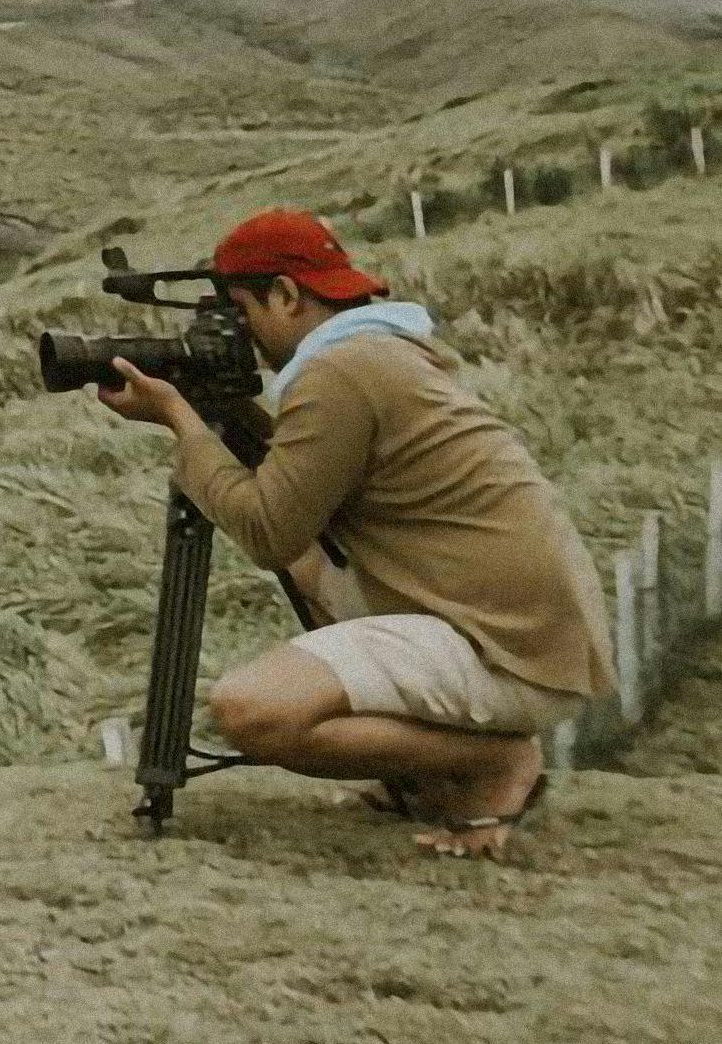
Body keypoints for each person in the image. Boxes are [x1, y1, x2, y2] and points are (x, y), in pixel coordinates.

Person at [94, 207, 609, 856]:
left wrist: (180, 418)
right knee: (315, 566)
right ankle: (424, 774)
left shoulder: (340, 370)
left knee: (253, 710)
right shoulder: (379, 351)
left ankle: (492, 761)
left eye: (242, 312)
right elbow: (293, 506)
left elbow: (267, 531)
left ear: (285, 294)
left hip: (507, 646)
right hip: (529, 629)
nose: (242, 337)